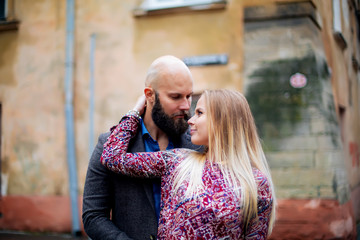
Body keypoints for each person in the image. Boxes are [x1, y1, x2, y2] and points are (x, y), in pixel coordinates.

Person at [101, 89, 276, 239]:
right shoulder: (177, 161)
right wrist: (135, 112)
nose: (190, 120)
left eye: (199, 113)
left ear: (223, 120)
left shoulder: (256, 183)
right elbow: (112, 157)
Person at [82, 55, 203, 240]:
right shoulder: (109, 145)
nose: (186, 106)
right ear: (149, 95)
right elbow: (94, 216)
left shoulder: (200, 145)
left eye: (189, 96)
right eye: (175, 97)